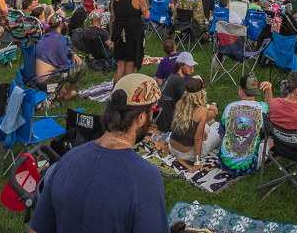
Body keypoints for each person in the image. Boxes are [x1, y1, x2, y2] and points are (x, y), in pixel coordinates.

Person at [28, 72, 167, 233]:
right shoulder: (146, 178)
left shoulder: (66, 162)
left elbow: (35, 230)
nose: (153, 122)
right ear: (141, 118)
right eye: (154, 113)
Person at [218, 75, 274, 175]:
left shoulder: (229, 107)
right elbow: (270, 108)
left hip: (224, 163)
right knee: (271, 142)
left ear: (241, 91)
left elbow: (221, 136)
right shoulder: (262, 108)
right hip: (249, 165)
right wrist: (269, 89)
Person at [167, 76, 220, 167]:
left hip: (172, 148)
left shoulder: (179, 104)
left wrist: (207, 107)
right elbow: (197, 139)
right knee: (219, 135)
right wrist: (197, 162)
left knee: (205, 128)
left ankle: (206, 129)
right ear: (200, 93)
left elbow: (192, 107)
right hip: (187, 154)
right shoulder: (202, 111)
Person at [111, 0, 149, 82]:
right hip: (132, 33)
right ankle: (127, 94)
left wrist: (112, 36)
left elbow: (112, 17)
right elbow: (146, 15)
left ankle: (115, 94)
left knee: (120, 68)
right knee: (130, 67)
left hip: (119, 33)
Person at [35, 18, 85, 101]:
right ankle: (67, 94)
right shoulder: (59, 38)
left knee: (57, 66)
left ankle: (60, 93)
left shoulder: (47, 35)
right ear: (61, 24)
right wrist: (74, 61)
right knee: (82, 66)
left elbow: (64, 50)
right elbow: (64, 64)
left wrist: (73, 54)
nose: (67, 24)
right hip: (47, 81)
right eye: (65, 22)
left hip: (37, 79)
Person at [155, 52, 196, 134]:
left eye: (192, 65)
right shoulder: (179, 81)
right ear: (180, 66)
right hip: (170, 126)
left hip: (164, 121)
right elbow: (189, 104)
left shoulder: (173, 76)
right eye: (188, 65)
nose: (191, 67)